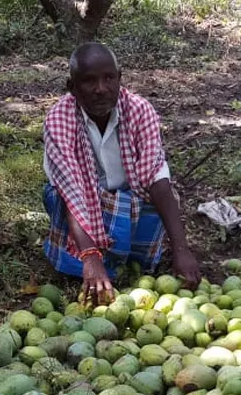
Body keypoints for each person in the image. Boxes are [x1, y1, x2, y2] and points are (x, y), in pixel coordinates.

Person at [42, 41, 200, 303]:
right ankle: (87, 264)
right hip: (79, 203)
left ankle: (129, 260)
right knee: (58, 198)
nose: (100, 89)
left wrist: (181, 249)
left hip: (129, 199)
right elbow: (71, 192)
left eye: (108, 78)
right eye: (89, 81)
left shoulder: (139, 111)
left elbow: (156, 179)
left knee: (164, 200)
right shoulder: (60, 119)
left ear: (120, 79)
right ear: (72, 87)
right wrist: (90, 257)